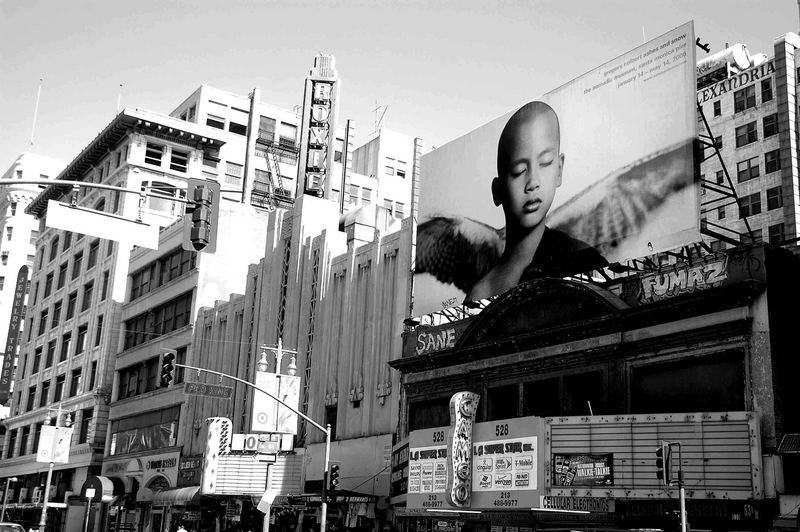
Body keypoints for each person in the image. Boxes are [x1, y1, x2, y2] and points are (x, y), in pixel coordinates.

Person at [467, 101, 607, 301]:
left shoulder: (583, 259)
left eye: (545, 163)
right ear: (497, 191)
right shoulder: (481, 292)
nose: (532, 183)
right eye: (519, 171)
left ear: (559, 169)